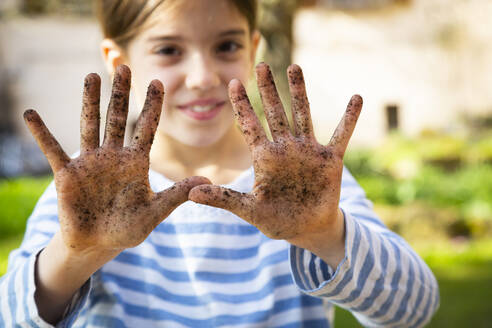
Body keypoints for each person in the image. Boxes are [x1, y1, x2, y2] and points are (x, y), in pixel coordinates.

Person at [0, 0, 439, 327]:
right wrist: (76, 255)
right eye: (170, 50)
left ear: (252, 49)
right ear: (120, 63)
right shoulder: (87, 191)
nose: (204, 77)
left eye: (226, 46)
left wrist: (324, 233)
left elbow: (414, 309)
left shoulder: (305, 184)